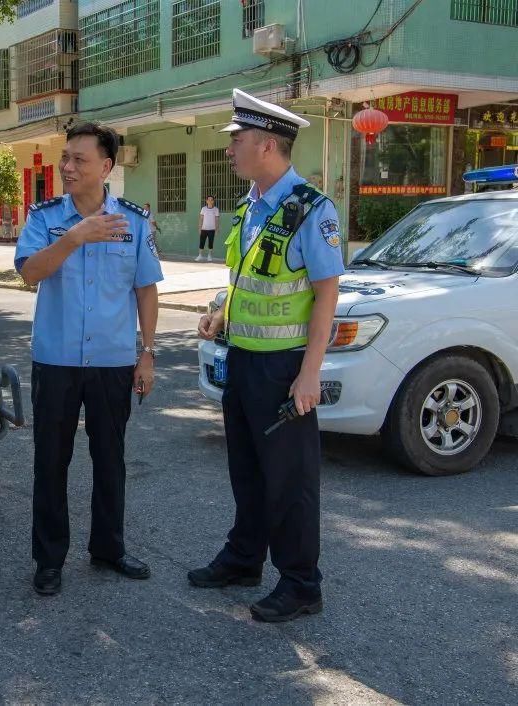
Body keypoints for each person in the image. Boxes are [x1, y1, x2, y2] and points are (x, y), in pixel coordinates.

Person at [189, 89, 344, 622]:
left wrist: (310, 375)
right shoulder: (252, 206)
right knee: (248, 470)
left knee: (291, 482)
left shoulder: (311, 210)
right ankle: (244, 558)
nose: (230, 150)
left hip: (285, 368)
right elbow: (247, 278)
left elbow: (327, 292)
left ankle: (302, 583)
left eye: (238, 141)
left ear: (269, 145)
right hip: (245, 360)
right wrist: (220, 312)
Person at [15, 122, 164, 596]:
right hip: (56, 360)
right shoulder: (44, 218)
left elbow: (146, 288)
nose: (68, 167)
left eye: (79, 159)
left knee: (110, 458)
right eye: (66, 158)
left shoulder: (134, 222)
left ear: (106, 166)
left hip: (112, 360)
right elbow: (28, 273)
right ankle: (49, 558)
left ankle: (109, 548)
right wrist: (74, 237)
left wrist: (147, 354)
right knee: (50, 461)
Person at [197, 195, 220, 261]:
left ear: (213, 201)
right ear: (206, 201)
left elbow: (217, 220)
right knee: (202, 242)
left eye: (211, 200)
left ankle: (209, 256)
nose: (210, 201)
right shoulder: (203, 209)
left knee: (210, 243)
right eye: (208, 200)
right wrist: (199, 228)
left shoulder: (216, 209)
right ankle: (200, 255)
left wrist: (217, 229)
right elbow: (201, 218)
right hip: (203, 229)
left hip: (212, 229)